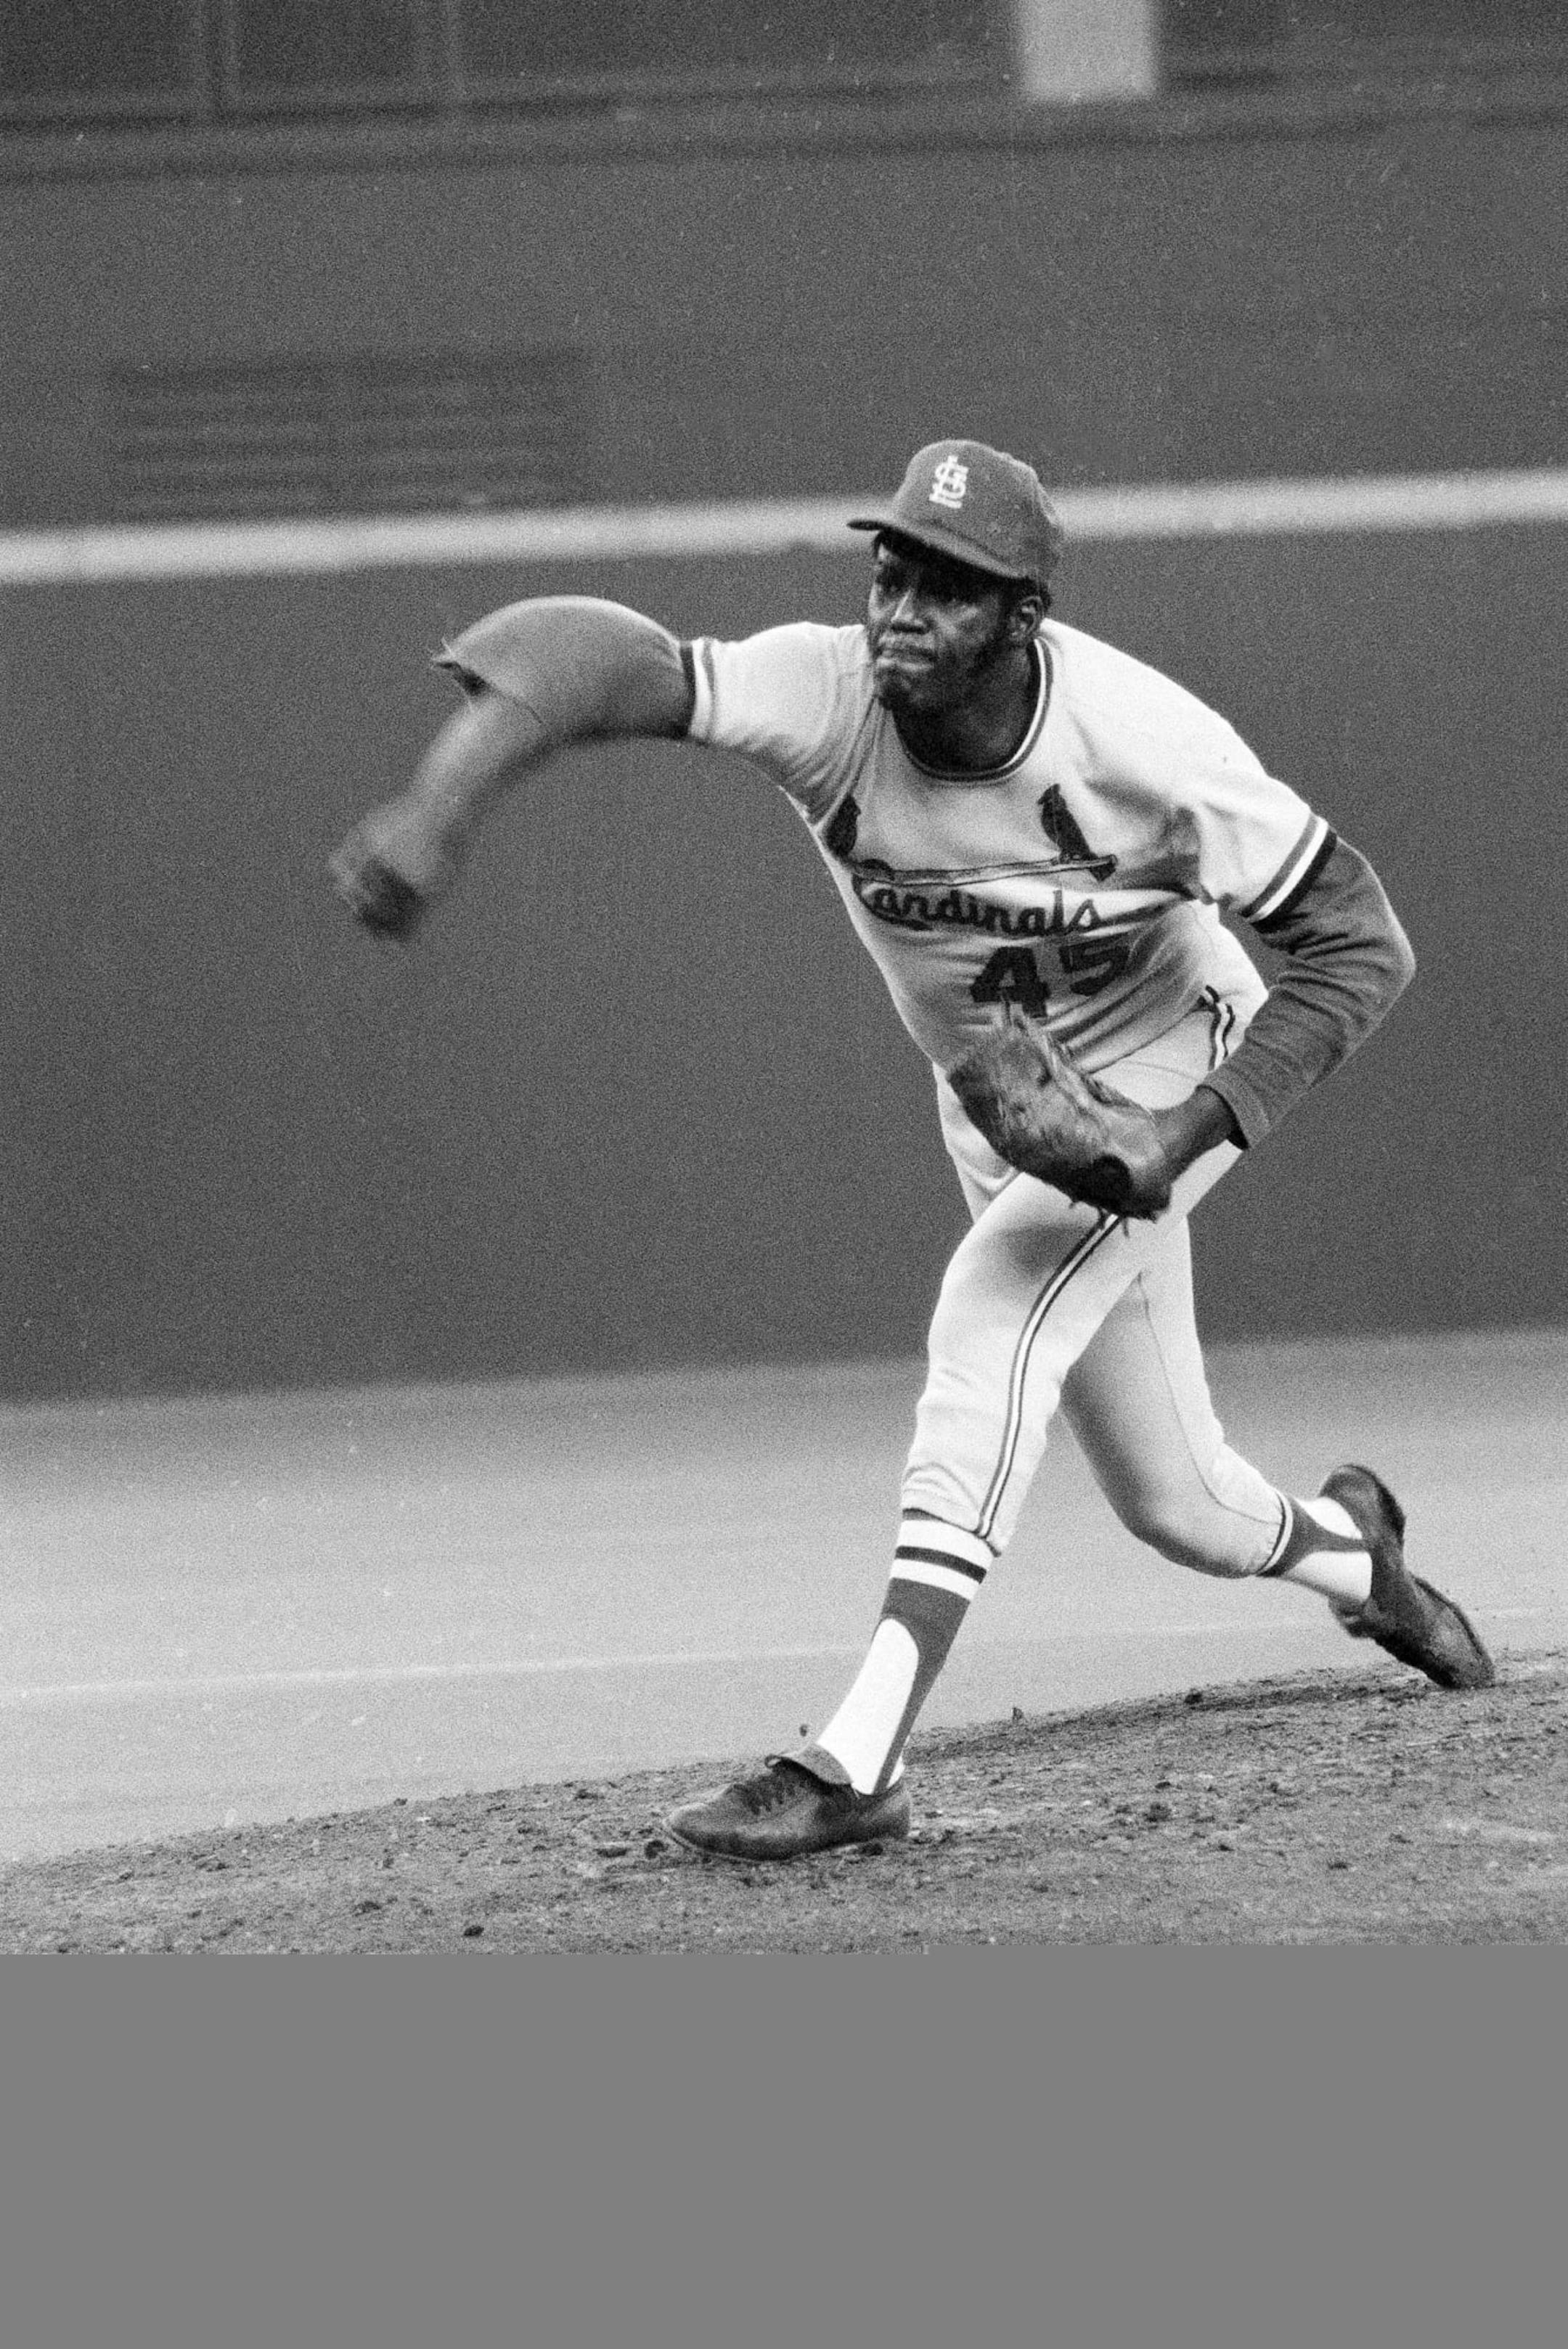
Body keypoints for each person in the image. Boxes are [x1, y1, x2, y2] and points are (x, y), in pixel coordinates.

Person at [330, 438, 1494, 1864]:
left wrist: (1180, 1137)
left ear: (1024, 617)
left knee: (988, 1315)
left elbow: (1361, 941)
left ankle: (858, 1757)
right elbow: (587, 657)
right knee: (1175, 1502)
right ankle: (1361, 1556)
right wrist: (438, 807)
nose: (902, 609)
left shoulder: (1143, 742)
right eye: (893, 570)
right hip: (1003, 1094)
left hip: (1168, 1052)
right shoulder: (828, 696)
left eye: (950, 588)